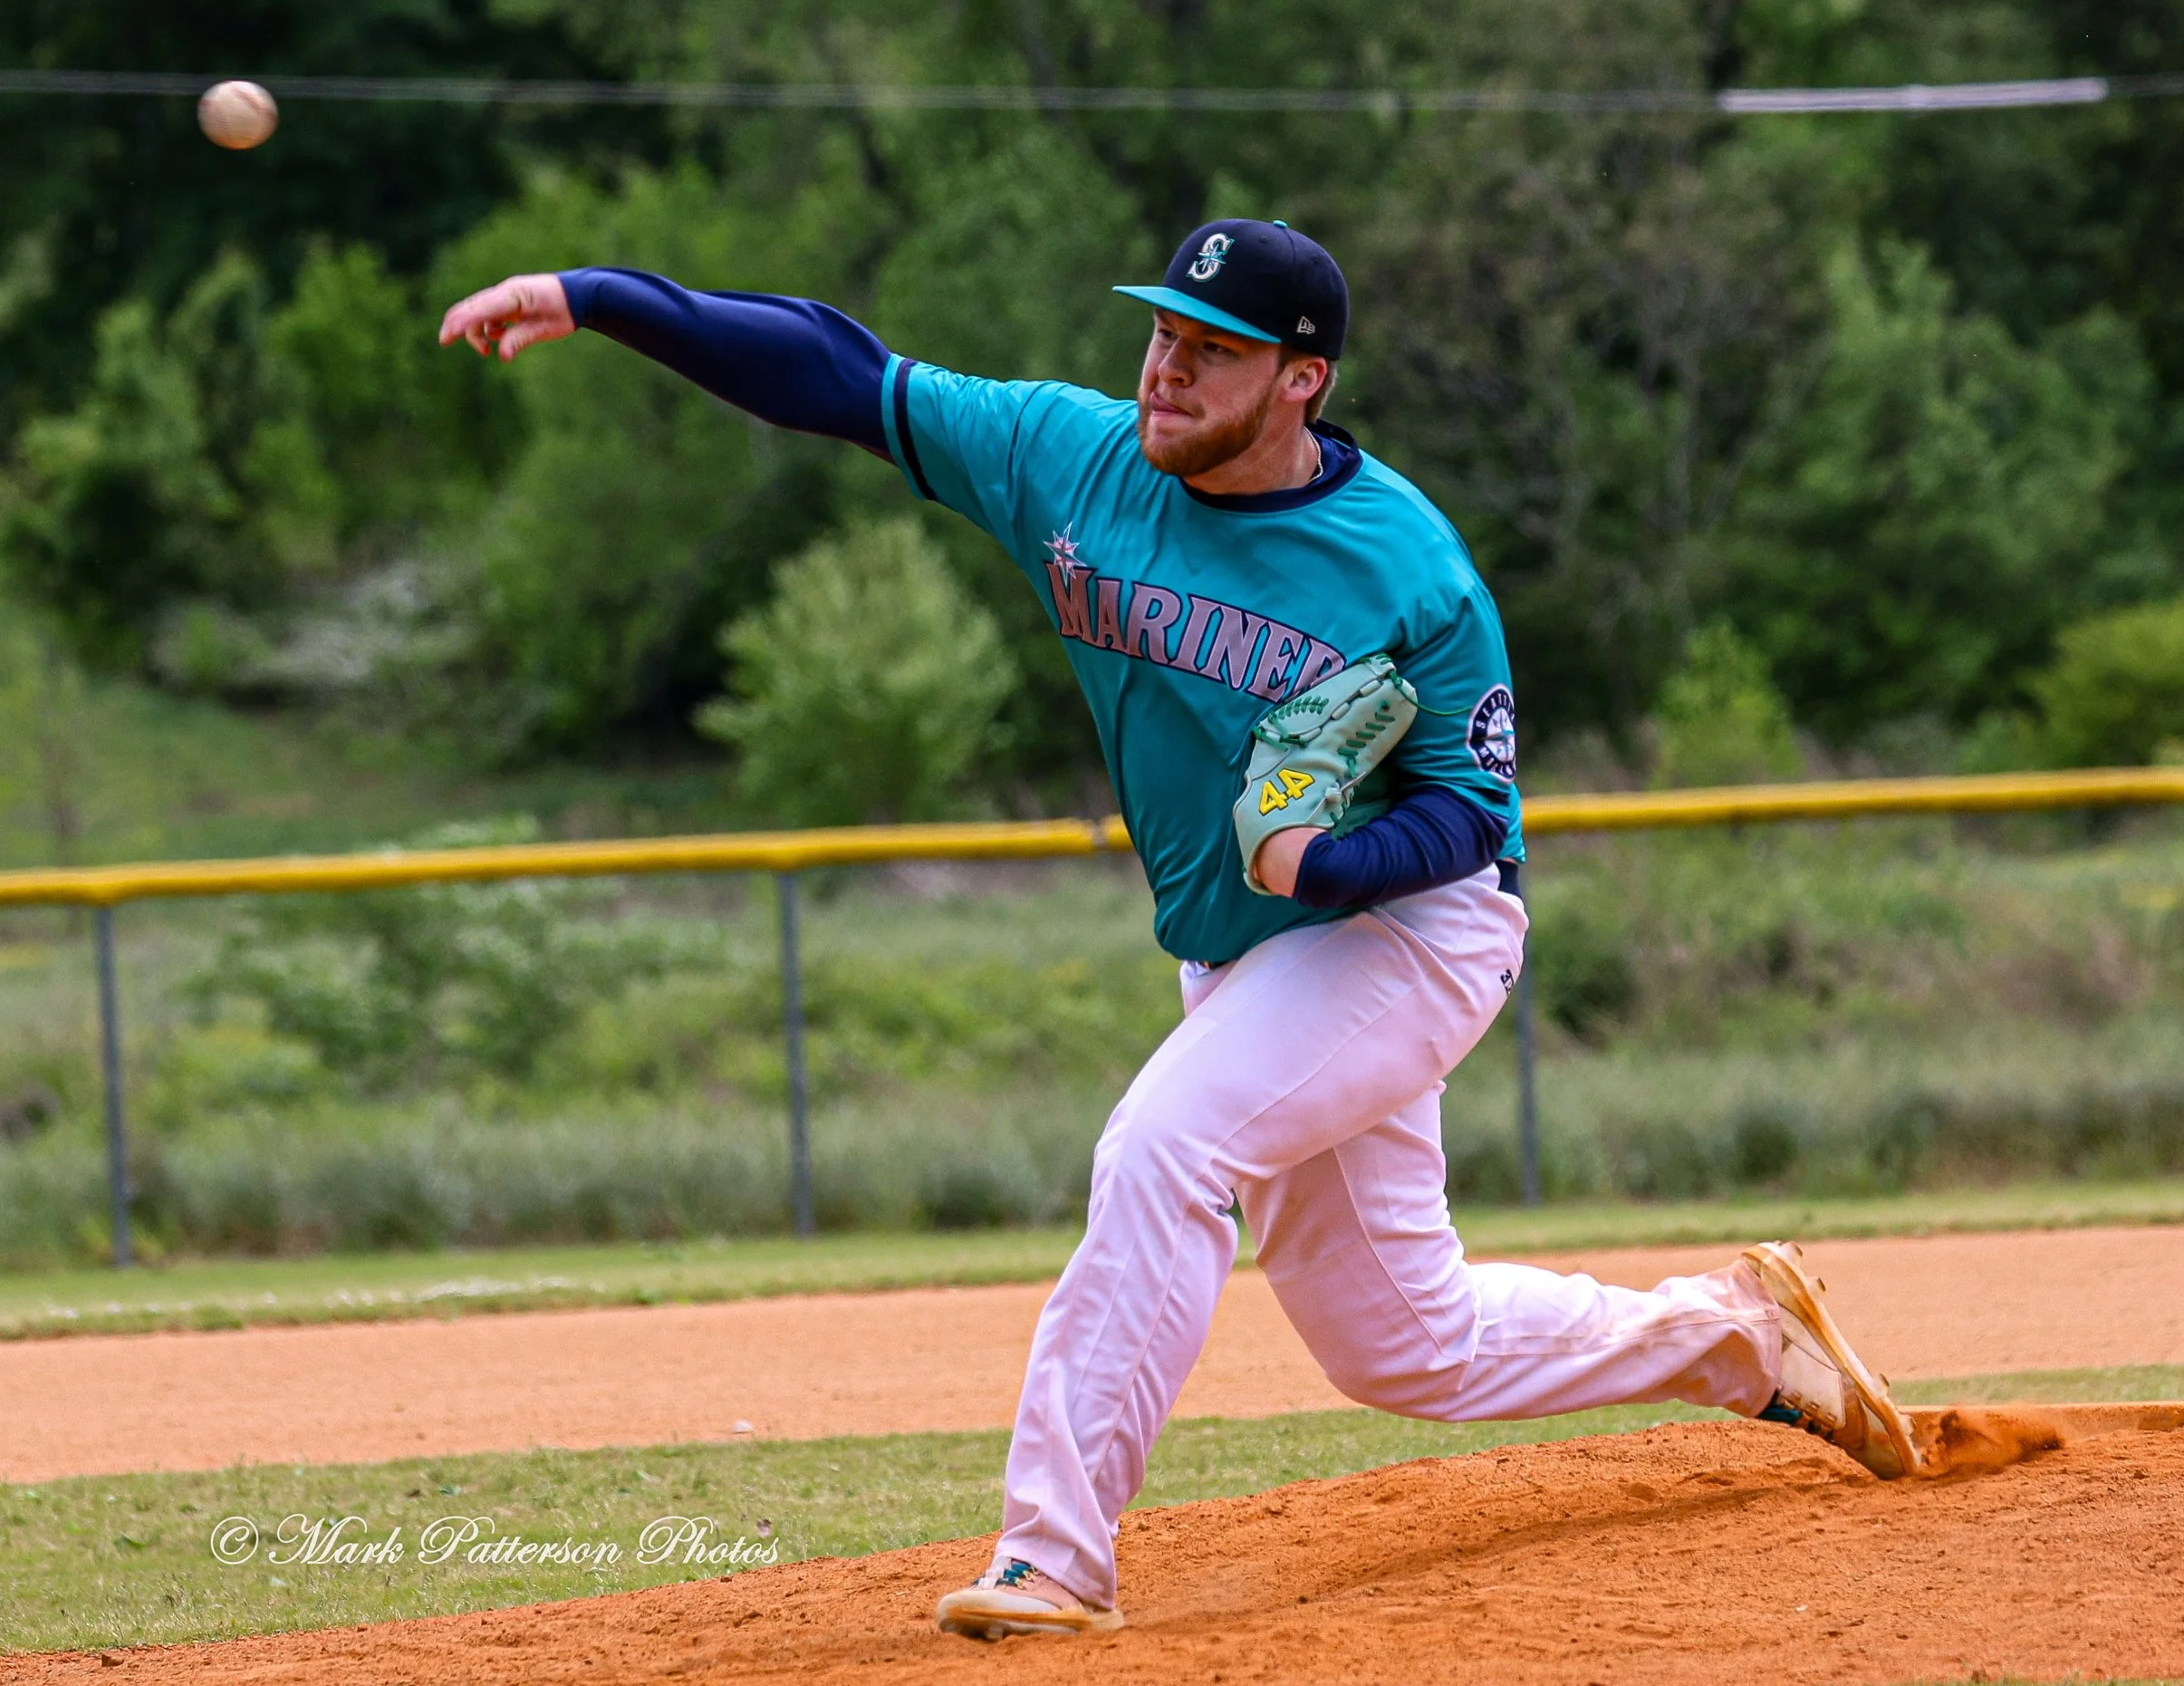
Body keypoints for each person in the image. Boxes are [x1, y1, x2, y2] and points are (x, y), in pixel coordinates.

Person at [438, 219, 1921, 1641]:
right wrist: (595, 298)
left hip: (1413, 935)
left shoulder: (1406, 565)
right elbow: (839, 369)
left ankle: (1056, 1555)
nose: (1166, 367)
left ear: (1299, 380)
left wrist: (1330, 859)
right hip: (1247, 952)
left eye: (1210, 348)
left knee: (1162, 1147)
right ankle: (1738, 1338)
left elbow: (1478, 812)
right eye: (1160, 331)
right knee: (1409, 1346)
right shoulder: (1070, 461)